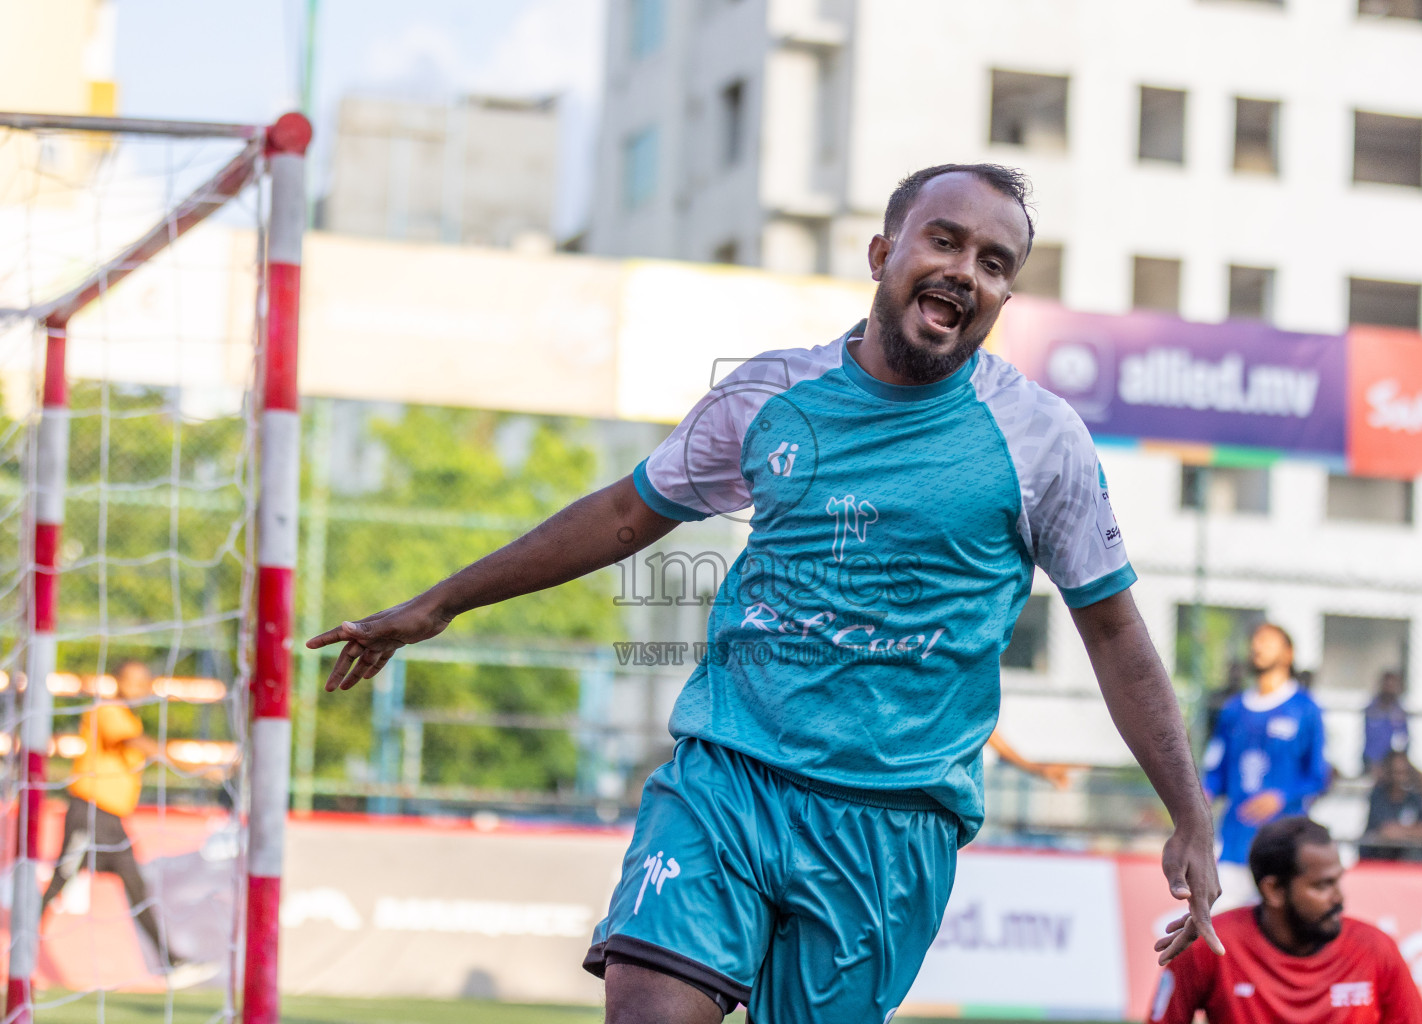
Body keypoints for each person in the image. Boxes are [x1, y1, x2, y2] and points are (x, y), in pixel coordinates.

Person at [310, 163, 1223, 1024]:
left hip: (890, 825)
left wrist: (1188, 811)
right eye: (942, 241)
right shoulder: (773, 395)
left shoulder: (1039, 438)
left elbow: (1112, 631)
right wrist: (440, 603)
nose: (963, 272)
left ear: (1004, 296)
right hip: (729, 774)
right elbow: (630, 512)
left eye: (993, 263)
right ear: (882, 255)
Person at [1148, 816, 1422, 1024]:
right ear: (1274, 890)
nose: (1338, 898)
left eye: (1337, 881)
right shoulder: (1211, 946)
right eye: (1322, 885)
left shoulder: (1377, 950)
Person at [39, 661, 216, 988]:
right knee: (59, 882)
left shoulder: (129, 718)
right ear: (117, 682)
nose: (136, 689)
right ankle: (21, 946)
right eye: (130, 682)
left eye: (142, 682)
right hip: (89, 812)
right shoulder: (107, 712)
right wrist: (193, 767)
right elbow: (136, 743)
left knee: (136, 887)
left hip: (112, 820)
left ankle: (169, 962)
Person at [1204, 623, 1327, 908]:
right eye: (1255, 641)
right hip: (1234, 844)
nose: (1258, 647)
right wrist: (1203, 794)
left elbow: (1318, 776)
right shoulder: (1233, 710)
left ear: (1288, 654)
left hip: (1283, 846)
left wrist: (1281, 796)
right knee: (1220, 928)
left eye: (1268, 641)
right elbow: (1216, 774)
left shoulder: (1306, 709)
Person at [1358, 750, 1422, 861]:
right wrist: (1409, 832)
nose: (1400, 778)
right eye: (1396, 772)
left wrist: (1401, 831)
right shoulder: (1378, 796)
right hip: (1379, 860)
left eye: (1404, 772)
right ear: (1389, 773)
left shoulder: (1414, 798)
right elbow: (1384, 831)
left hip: (1408, 862)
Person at [1361, 669, 1410, 778]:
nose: (1389, 688)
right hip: (1372, 762)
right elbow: (1370, 741)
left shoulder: (1400, 712)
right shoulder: (1372, 710)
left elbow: (1403, 739)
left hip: (1394, 763)